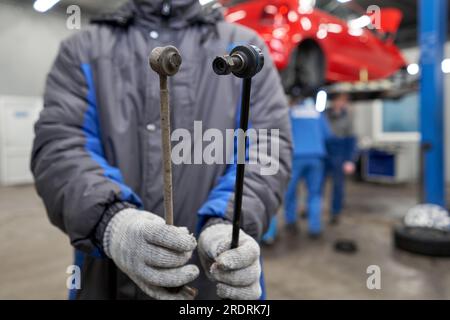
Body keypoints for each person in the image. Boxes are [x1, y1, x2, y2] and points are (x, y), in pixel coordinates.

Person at [31, 0, 292, 300]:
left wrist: (228, 222)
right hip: (107, 281)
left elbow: (266, 147)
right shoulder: (83, 49)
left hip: (216, 288)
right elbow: (60, 145)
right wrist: (112, 223)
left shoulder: (244, 47)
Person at [263, 95, 331, 243]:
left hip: (295, 157)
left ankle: (291, 222)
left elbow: (281, 134)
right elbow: (328, 136)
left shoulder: (290, 112)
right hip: (316, 157)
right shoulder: (317, 113)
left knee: (290, 192)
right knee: (314, 193)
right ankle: (315, 228)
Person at [324, 92, 357, 224]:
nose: (340, 103)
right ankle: (312, 208)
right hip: (324, 153)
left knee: (338, 186)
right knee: (317, 184)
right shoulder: (324, 115)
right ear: (333, 101)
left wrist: (349, 160)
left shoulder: (347, 118)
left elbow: (351, 140)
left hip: (340, 155)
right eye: (338, 100)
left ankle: (335, 212)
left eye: (343, 101)